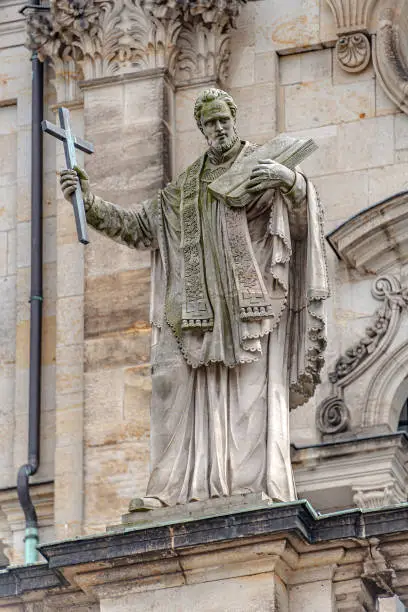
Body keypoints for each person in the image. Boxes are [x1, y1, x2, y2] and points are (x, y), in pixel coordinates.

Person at [60, 88, 329, 508]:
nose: (218, 127)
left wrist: (290, 181)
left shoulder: (263, 167)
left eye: (223, 119)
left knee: (249, 398)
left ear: (233, 117)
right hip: (194, 314)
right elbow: (137, 228)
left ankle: (250, 488)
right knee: (171, 390)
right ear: (201, 128)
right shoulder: (182, 191)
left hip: (250, 311)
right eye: (210, 122)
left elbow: (298, 227)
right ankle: (173, 490)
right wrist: (89, 203)